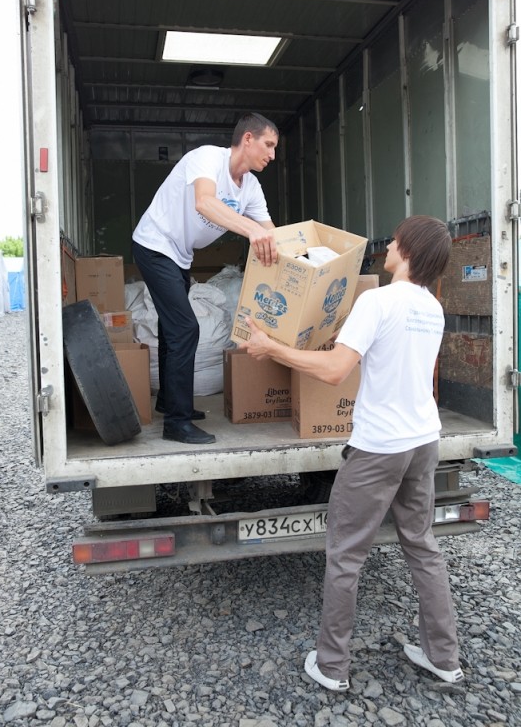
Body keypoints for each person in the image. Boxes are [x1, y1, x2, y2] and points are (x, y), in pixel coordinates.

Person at [241, 215, 464, 690]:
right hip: (424, 442)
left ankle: (331, 665)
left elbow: (335, 371)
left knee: (345, 556)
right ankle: (444, 657)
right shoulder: (433, 308)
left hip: (379, 448)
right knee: (422, 546)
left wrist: (272, 347)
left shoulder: (377, 301)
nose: (388, 247)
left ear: (407, 251)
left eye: (395, 241)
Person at [132, 112, 279, 445]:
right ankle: (177, 422)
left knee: (172, 327)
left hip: (179, 255)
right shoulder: (208, 159)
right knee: (185, 328)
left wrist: (306, 260)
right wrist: (251, 230)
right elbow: (204, 202)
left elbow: (272, 232)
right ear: (248, 139)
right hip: (154, 245)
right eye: (269, 145)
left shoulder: (250, 187)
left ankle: (168, 400)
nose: (272, 155)